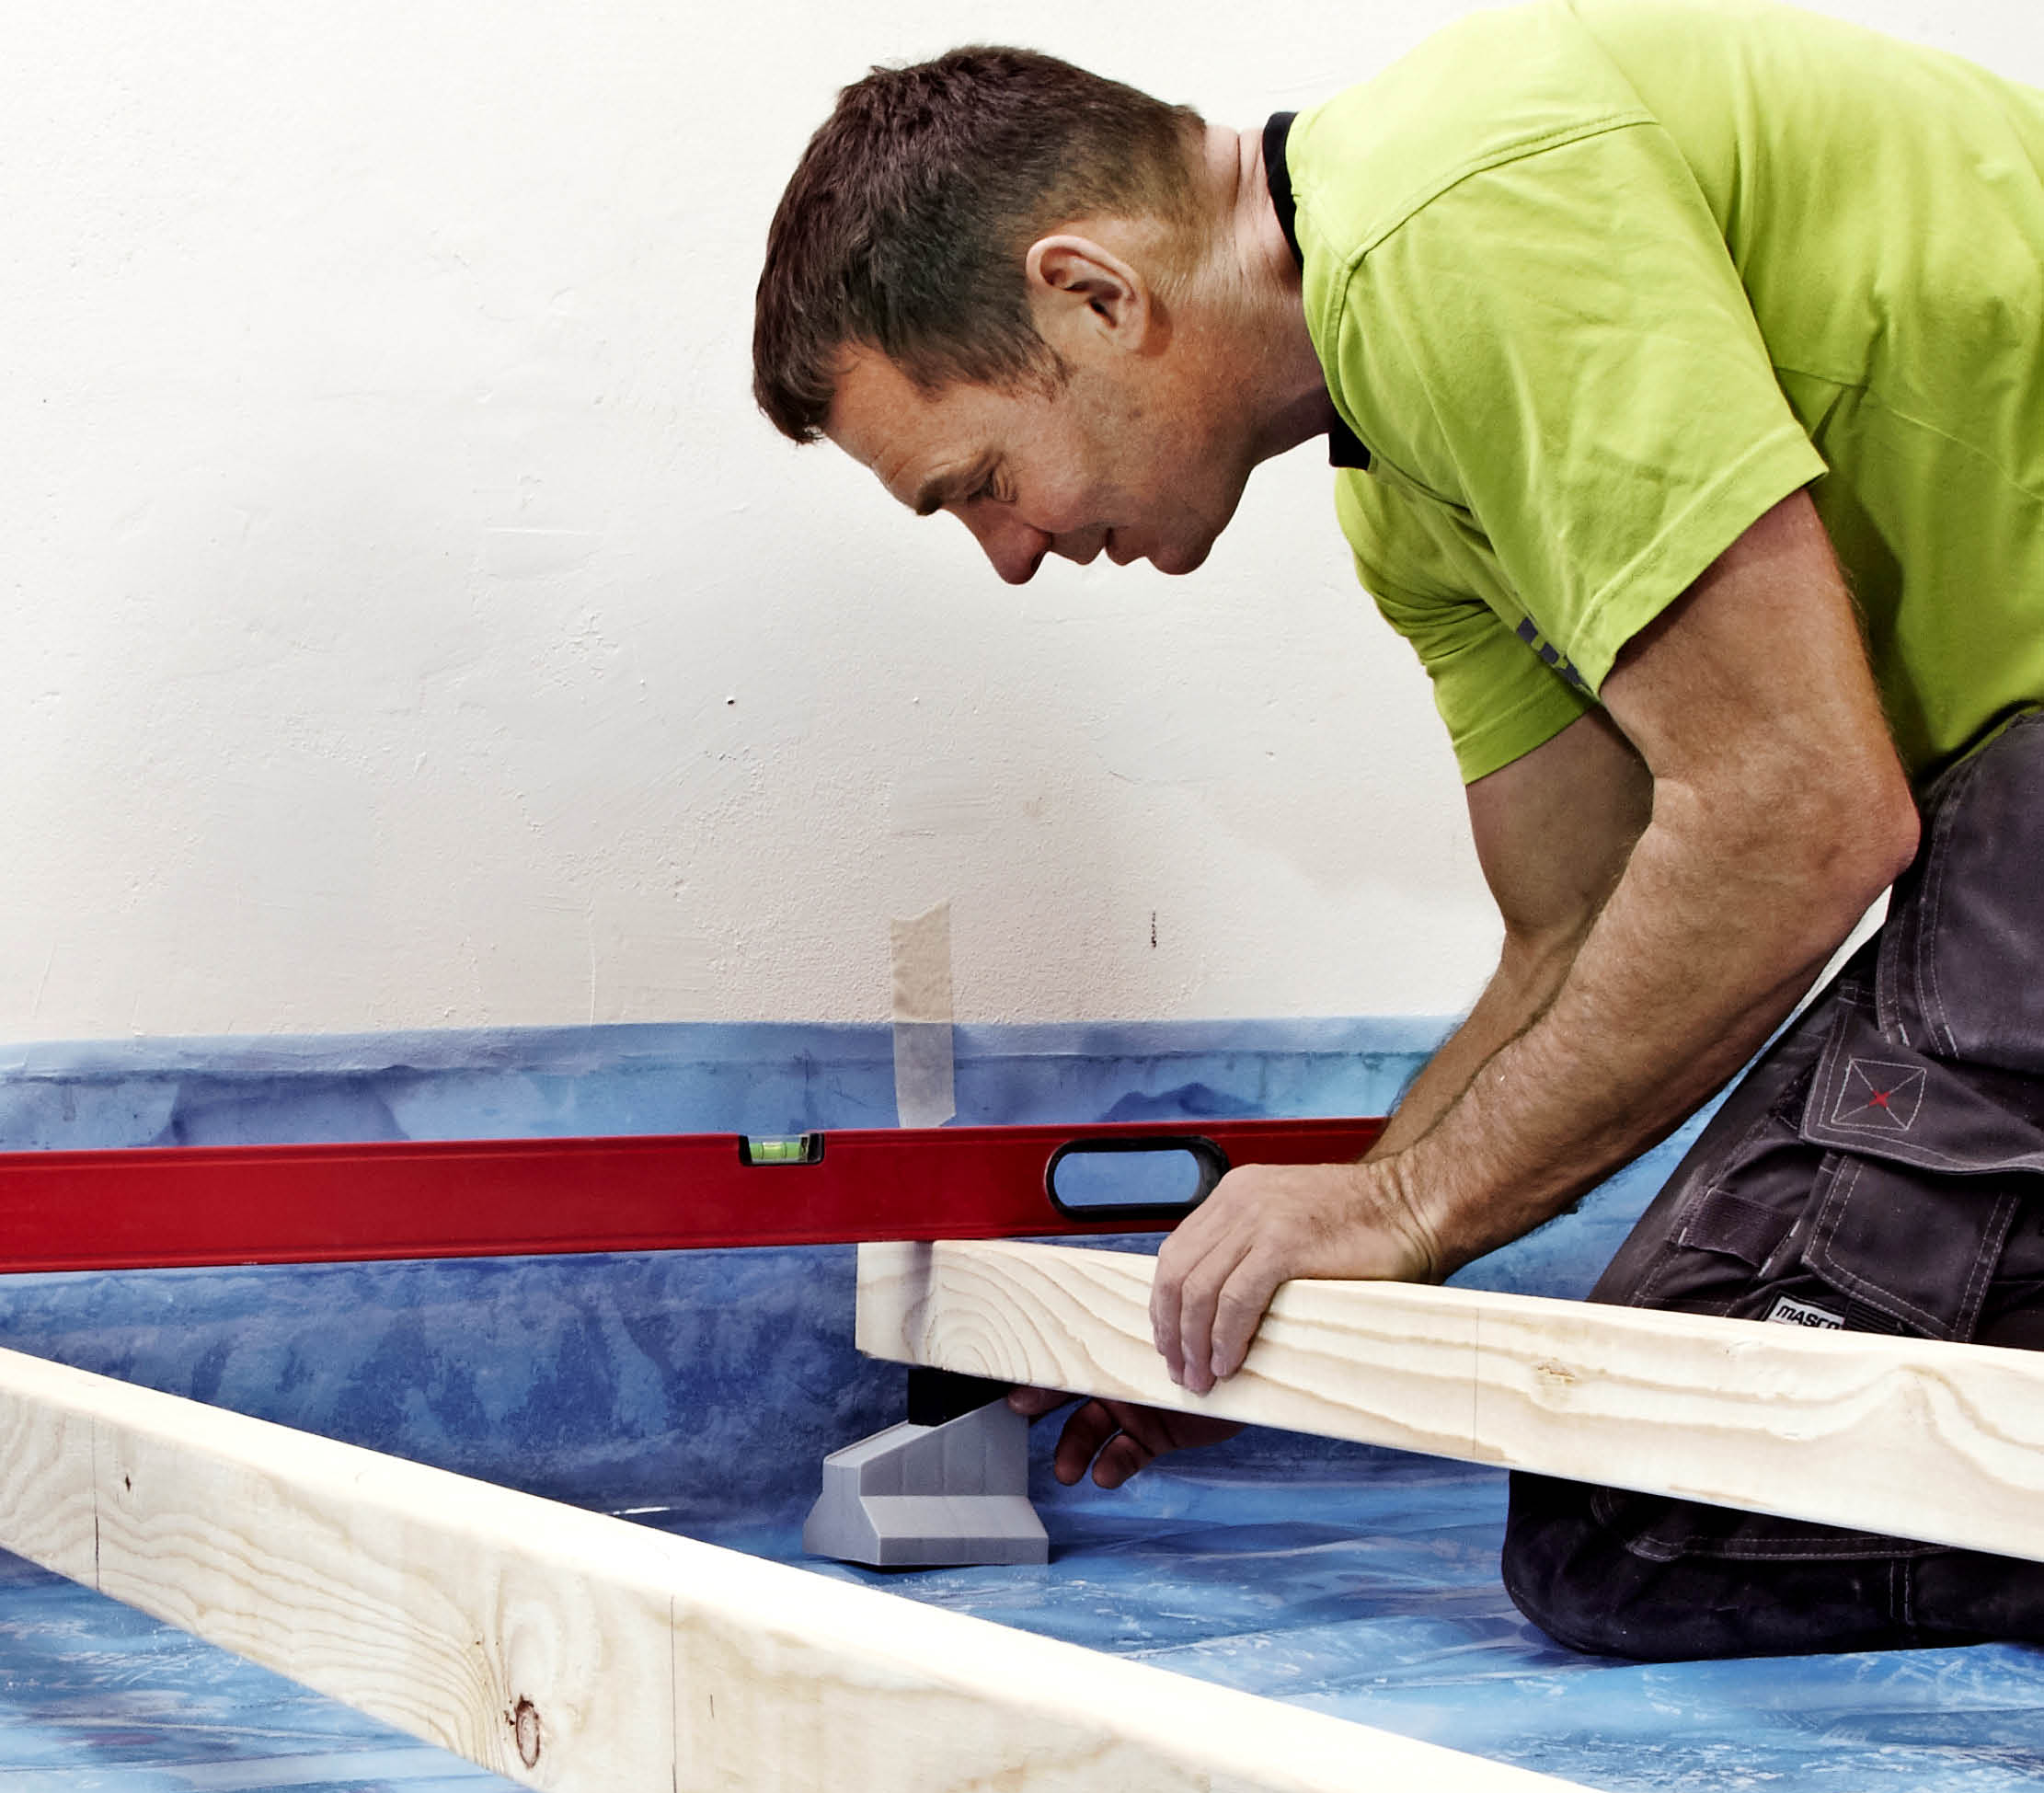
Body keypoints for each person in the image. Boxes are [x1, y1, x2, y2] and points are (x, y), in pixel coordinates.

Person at [752, 0, 2044, 1657]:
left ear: (1092, 294)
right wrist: (1305, 1265)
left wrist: (1412, 1208)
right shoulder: (1407, 489)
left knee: (1650, 1521)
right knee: (1633, 1514)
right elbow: (1575, 922)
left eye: (981, 480)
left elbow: (1798, 819)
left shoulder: (1467, 208)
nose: (1008, 553)